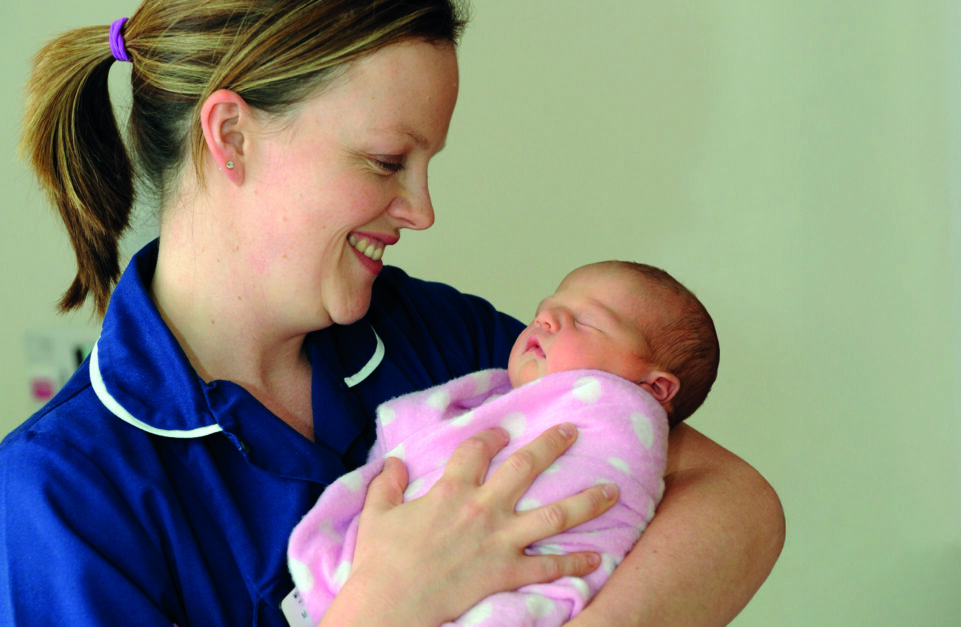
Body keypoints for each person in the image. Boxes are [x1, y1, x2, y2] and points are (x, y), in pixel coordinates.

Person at [0, 1, 784, 625]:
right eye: (386, 161)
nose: (420, 209)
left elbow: (735, 502)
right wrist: (384, 606)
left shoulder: (442, 338)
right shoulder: (62, 495)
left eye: (425, 164)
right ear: (231, 136)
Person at [287, 260, 720, 625]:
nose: (546, 319)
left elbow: (737, 494)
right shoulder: (501, 388)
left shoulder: (615, 427)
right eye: (545, 309)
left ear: (655, 389)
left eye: (586, 321)